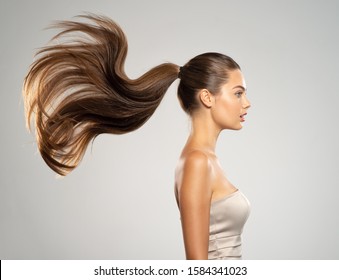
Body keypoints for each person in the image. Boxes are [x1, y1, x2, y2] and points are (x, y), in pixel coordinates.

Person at [23, 14, 251, 259]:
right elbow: (196, 266)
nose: (247, 103)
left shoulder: (207, 160)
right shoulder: (197, 162)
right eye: (238, 93)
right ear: (207, 97)